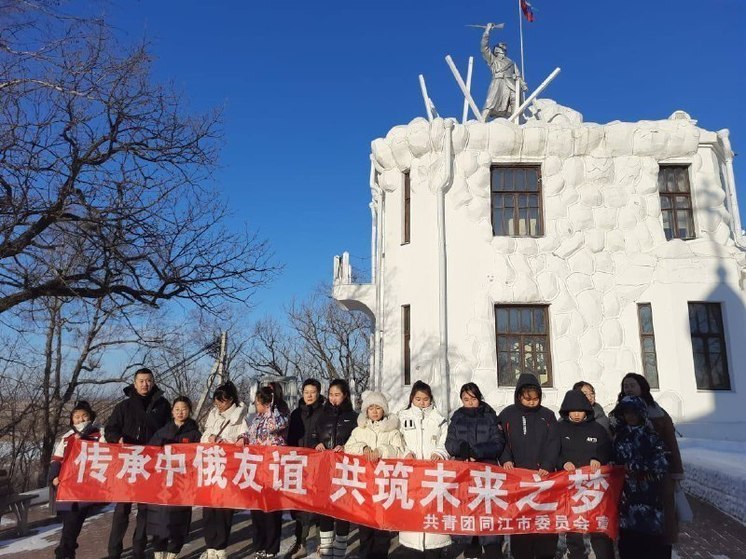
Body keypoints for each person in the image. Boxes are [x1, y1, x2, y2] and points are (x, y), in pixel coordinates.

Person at [611, 373, 684, 558]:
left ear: (642, 387)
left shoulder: (656, 419)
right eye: (625, 385)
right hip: (628, 492)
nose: (628, 388)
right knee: (630, 534)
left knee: (658, 531)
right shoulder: (619, 429)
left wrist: (676, 471)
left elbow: (668, 448)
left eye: (632, 385)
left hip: (652, 489)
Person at [105, 368, 171, 559]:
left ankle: (138, 550)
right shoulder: (123, 407)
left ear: (154, 382)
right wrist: (117, 439)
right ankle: (114, 551)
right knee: (121, 510)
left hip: (151, 466)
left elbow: (170, 430)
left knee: (145, 510)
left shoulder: (163, 406)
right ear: (134, 383)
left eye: (149, 380)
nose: (145, 384)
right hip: (127, 463)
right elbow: (110, 430)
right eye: (141, 381)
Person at [496, 373, 559, 559]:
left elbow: (554, 442)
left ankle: (545, 554)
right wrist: (506, 459)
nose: (532, 402)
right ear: (518, 395)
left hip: (542, 477)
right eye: (527, 399)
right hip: (517, 479)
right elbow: (500, 440)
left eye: (535, 399)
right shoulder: (507, 414)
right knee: (521, 520)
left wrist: (547, 464)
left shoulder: (547, 415)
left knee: (543, 520)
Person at [445, 383, 505, 559]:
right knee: (468, 514)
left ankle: (493, 551)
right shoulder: (457, 417)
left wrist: (478, 451)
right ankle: (472, 552)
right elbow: (449, 443)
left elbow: (498, 442)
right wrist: (462, 449)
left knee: (488, 515)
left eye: (473, 398)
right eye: (466, 399)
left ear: (479, 398)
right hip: (464, 473)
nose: (470, 402)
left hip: (486, 473)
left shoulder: (490, 416)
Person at [345, 391, 406, 559]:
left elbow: (399, 451)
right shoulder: (359, 431)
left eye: (378, 407)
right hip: (364, 487)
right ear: (366, 411)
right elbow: (348, 448)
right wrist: (363, 448)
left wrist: (382, 451)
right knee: (365, 530)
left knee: (382, 530)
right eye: (371, 408)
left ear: (384, 410)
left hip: (384, 487)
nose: (374, 411)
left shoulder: (393, 431)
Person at [556, 390, 613, 559]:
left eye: (579, 410)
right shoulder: (559, 428)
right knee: (574, 527)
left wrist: (598, 458)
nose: (576, 414)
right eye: (572, 410)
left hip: (593, 488)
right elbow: (551, 451)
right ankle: (576, 555)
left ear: (586, 411)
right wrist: (562, 462)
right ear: (566, 411)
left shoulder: (597, 429)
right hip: (569, 487)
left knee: (599, 527)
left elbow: (608, 449)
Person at [397, 381, 450, 559]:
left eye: (425, 399)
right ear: (412, 398)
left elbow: (446, 441)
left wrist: (440, 453)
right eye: (418, 399)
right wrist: (406, 453)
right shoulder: (402, 417)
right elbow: (397, 441)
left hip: (432, 477)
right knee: (412, 519)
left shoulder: (439, 419)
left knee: (432, 518)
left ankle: (434, 550)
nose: (422, 402)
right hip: (410, 477)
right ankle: (412, 548)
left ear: (431, 399)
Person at [612, 396, 669, 558]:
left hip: (649, 499)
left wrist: (635, 466)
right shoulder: (619, 437)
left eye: (633, 412)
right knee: (628, 546)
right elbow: (615, 460)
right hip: (626, 501)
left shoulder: (650, 436)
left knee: (651, 546)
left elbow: (662, 463)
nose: (630, 416)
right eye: (626, 413)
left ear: (641, 413)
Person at [309, 379, 358, 559]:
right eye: (330, 394)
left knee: (342, 510)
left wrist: (346, 448)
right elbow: (312, 436)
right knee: (325, 510)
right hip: (324, 469)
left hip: (344, 471)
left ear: (345, 395)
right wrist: (317, 444)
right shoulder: (321, 415)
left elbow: (358, 441)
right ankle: (326, 551)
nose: (333, 398)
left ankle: (339, 553)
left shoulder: (353, 417)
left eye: (337, 395)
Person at [147, 396, 202, 559]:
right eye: (177, 409)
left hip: (183, 483)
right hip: (163, 482)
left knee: (179, 518)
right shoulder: (162, 431)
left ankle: (173, 552)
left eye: (184, 409)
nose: (180, 412)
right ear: (172, 411)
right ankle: (158, 551)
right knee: (159, 517)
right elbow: (151, 452)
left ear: (189, 411)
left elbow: (199, 457)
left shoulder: (195, 433)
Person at [200, 380, 249, 559]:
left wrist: (228, 443)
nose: (218, 404)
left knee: (223, 510)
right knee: (208, 509)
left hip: (228, 469)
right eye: (216, 400)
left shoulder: (240, 416)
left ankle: (220, 547)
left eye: (222, 400)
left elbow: (243, 440)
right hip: (210, 467)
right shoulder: (213, 414)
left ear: (230, 400)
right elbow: (204, 435)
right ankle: (210, 546)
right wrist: (210, 437)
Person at [241, 385, 289, 559]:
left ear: (266, 403)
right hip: (257, 469)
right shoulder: (256, 419)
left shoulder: (279, 416)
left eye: (258, 402)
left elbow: (276, 425)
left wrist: (272, 407)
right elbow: (250, 434)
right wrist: (242, 438)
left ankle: (271, 548)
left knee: (271, 511)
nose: (256, 405)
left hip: (273, 469)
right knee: (257, 510)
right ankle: (259, 546)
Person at [49, 401, 102, 559]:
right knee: (71, 523)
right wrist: (53, 477)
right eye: (76, 416)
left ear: (91, 417)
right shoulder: (67, 437)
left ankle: (63, 551)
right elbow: (56, 459)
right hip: (67, 485)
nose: (80, 419)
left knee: (74, 522)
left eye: (84, 415)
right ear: (72, 420)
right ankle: (67, 551)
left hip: (86, 486)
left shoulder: (99, 434)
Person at [286, 379, 326, 559]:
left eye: (313, 392)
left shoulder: (324, 412)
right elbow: (290, 439)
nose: (309, 395)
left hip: (318, 465)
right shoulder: (295, 414)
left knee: (318, 504)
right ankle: (300, 542)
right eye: (306, 391)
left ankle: (320, 543)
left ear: (318, 393)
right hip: (299, 464)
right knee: (299, 505)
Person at [480, 23, 524, 120]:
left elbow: (518, 74)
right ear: (496, 49)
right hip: (498, 81)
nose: (504, 48)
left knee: (515, 100)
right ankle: (482, 121)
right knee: (490, 102)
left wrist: (522, 83)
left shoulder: (511, 62)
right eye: (501, 46)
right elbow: (484, 48)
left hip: (511, 84)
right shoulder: (493, 59)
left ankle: (514, 121)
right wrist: (487, 31)